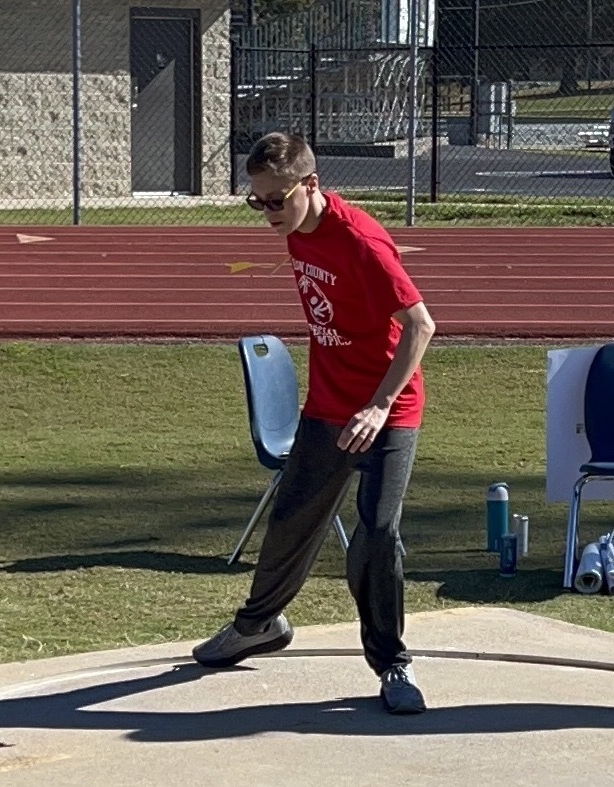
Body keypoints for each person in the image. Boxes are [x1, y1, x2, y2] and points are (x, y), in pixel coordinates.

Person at [193, 132, 436, 714]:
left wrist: (378, 406)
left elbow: (421, 326)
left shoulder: (362, 242)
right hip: (328, 407)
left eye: (277, 200)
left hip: (387, 411)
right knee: (292, 520)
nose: (268, 213)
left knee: (378, 532)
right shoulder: (298, 229)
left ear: (311, 185)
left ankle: (392, 662)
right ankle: (258, 626)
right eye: (257, 201)